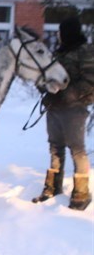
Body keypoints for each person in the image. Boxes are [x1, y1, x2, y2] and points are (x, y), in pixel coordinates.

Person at [32, 16, 93, 210]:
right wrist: (45, 91)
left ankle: (81, 194)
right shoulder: (59, 53)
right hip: (55, 109)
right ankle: (52, 188)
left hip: (75, 109)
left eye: (60, 32)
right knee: (55, 147)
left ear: (68, 32)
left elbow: (90, 83)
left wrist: (64, 96)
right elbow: (48, 77)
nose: (58, 35)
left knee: (77, 150)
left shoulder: (85, 52)